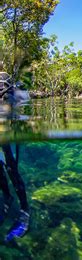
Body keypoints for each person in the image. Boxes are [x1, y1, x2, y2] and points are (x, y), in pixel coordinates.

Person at [0, 71, 30, 242]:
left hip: (9, 129)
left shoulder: (8, 82)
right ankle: (7, 197)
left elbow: (22, 103)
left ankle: (25, 210)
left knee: (11, 167)